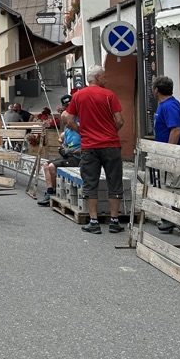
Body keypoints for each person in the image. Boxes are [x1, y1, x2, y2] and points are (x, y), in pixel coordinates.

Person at [62, 64, 125, 234]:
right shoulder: (109, 95)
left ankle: (94, 221)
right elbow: (119, 120)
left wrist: (82, 131)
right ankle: (114, 220)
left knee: (90, 183)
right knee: (115, 182)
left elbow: (68, 120)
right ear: (97, 77)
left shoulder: (78, 96)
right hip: (111, 145)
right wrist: (110, 132)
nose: (106, 79)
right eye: (104, 76)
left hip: (89, 146)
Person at [152, 75, 180, 233]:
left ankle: (175, 218)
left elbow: (176, 130)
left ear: (156, 90)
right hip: (168, 151)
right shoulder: (167, 105)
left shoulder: (169, 106)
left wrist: (169, 151)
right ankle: (169, 217)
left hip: (174, 153)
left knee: (173, 185)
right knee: (168, 184)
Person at [37, 95, 81, 206]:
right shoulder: (67, 130)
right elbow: (63, 142)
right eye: (65, 123)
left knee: (52, 166)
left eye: (67, 123)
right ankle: (50, 192)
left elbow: (86, 148)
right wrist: (63, 149)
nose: (66, 125)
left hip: (78, 158)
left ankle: (55, 193)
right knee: (46, 165)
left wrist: (71, 151)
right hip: (69, 156)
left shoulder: (80, 127)